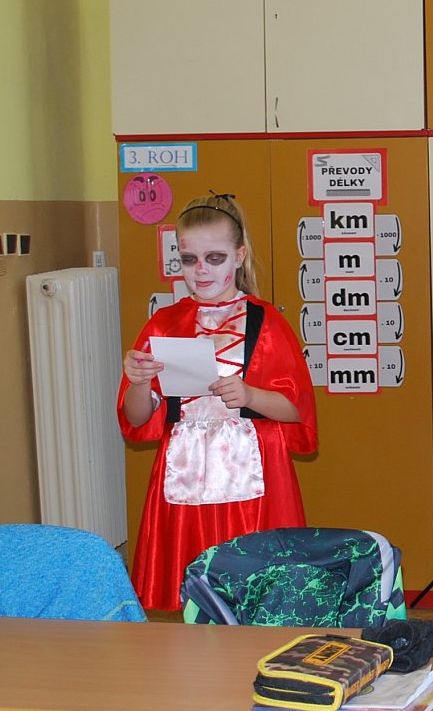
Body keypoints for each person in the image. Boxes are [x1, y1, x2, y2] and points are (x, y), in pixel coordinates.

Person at [118, 192, 316, 610]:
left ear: (239, 256)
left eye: (214, 258)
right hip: (184, 475)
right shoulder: (164, 323)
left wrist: (250, 394)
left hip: (255, 482)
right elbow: (137, 419)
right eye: (190, 259)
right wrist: (139, 382)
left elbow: (295, 410)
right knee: (195, 598)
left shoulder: (266, 322)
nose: (201, 270)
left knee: (257, 594)